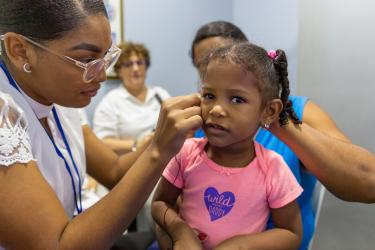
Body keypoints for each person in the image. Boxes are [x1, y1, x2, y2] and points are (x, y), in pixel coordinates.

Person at [0, 1, 202, 249]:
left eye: (106, 57)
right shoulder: (4, 115)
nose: (103, 75)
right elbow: (59, 245)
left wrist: (162, 136)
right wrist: (158, 151)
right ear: (19, 50)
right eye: (86, 60)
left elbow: (114, 171)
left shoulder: (60, 96)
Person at [184, 20, 375, 250]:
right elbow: (171, 194)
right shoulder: (197, 119)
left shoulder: (296, 112)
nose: (217, 108)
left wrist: (276, 121)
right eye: (204, 67)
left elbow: (368, 182)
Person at [152, 43, 304, 250]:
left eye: (237, 99)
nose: (216, 109)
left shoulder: (273, 168)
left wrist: (242, 246)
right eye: (209, 96)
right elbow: (160, 204)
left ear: (269, 111)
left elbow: (291, 233)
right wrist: (180, 231)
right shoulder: (186, 153)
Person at [93, 41, 170, 154]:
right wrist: (138, 144)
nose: (135, 68)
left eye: (139, 63)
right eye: (128, 64)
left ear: (146, 66)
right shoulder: (111, 102)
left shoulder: (161, 95)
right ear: (119, 71)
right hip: (130, 165)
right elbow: (102, 142)